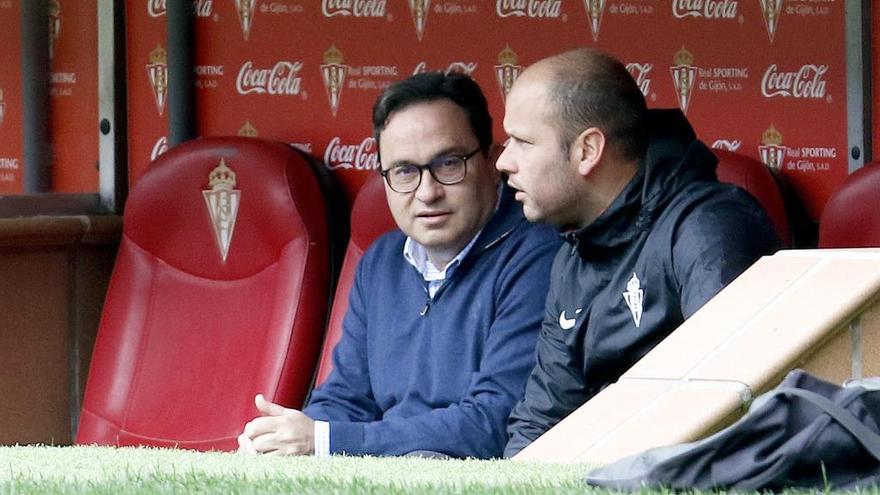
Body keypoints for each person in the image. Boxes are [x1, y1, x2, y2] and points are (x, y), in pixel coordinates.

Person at [237, 71, 560, 458]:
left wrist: (326, 441)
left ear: (493, 162)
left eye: (448, 164)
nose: (427, 192)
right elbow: (347, 399)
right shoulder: (381, 262)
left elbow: (495, 421)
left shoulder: (538, 253)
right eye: (405, 171)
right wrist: (282, 438)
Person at [496, 47, 781, 457]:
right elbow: (542, 421)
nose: (504, 160)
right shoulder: (573, 254)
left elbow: (730, 406)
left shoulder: (707, 227)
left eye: (523, 142)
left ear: (588, 150)